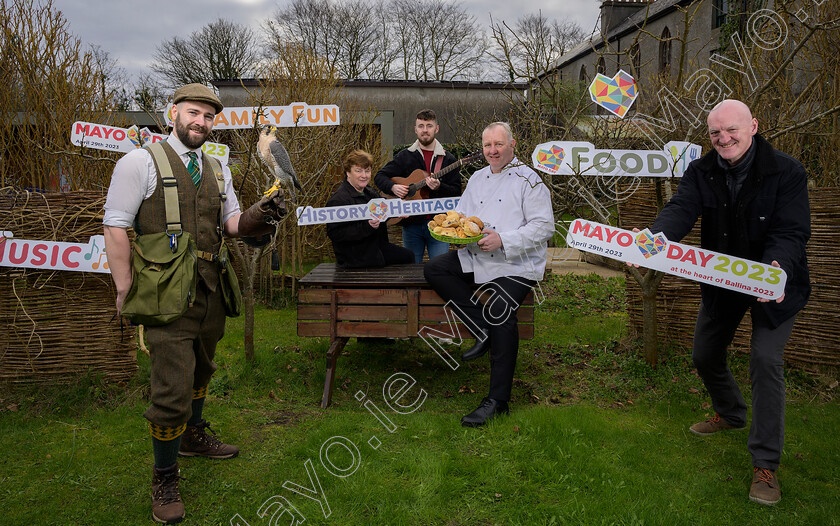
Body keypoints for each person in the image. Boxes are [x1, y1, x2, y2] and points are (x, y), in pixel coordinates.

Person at [103, 83, 285, 524]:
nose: (200, 122)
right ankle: (164, 476)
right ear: (173, 114)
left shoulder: (218, 168)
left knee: (204, 368)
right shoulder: (139, 161)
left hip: (211, 287)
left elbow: (233, 223)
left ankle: (193, 436)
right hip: (163, 292)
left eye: (208, 117)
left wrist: (265, 212)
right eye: (193, 113)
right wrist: (125, 288)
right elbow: (115, 225)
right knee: (171, 390)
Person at [642, 99, 810, 505]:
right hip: (723, 282)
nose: (723, 138)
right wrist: (657, 236)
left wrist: (777, 268)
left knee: (766, 361)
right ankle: (732, 413)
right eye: (715, 133)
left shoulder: (786, 171)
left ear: (753, 125)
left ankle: (765, 465)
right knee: (704, 354)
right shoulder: (701, 170)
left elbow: (790, 231)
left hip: (774, 283)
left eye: (731, 129)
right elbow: (680, 209)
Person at [424, 122, 554, 427]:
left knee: (501, 313)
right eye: (487, 146)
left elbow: (544, 227)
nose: (492, 151)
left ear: (512, 145)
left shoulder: (529, 180)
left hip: (516, 262)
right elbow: (466, 218)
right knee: (435, 268)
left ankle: (498, 400)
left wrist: (504, 239)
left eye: (498, 144)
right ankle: (480, 326)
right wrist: (458, 238)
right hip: (478, 254)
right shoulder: (478, 179)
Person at [375, 109, 461, 262]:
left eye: (429, 125)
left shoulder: (449, 159)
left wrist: (439, 187)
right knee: (410, 269)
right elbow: (379, 176)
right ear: (415, 129)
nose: (425, 130)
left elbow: (456, 192)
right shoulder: (404, 156)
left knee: (440, 268)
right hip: (411, 225)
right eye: (421, 126)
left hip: (440, 226)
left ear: (436, 128)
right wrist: (393, 187)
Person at [326, 149, 414, 268]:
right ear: (348, 172)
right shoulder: (338, 200)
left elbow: (381, 213)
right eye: (359, 171)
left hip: (375, 249)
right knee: (406, 258)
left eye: (367, 171)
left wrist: (396, 210)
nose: (364, 175)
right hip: (355, 257)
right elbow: (335, 233)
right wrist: (367, 226)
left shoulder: (370, 192)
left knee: (408, 256)